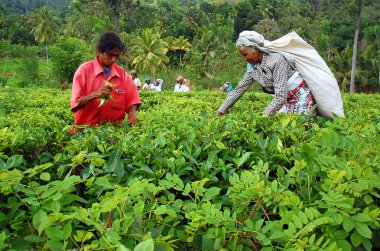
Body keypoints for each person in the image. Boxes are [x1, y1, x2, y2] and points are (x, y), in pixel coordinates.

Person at [216, 31, 316, 117]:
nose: (244, 59)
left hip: (299, 96)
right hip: (282, 99)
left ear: (255, 49)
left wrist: (262, 117)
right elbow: (238, 90)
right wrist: (221, 110)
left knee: (302, 127)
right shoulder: (252, 67)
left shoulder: (276, 60)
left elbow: (280, 96)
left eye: (245, 54)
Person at [70, 32, 141, 133]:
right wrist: (95, 94)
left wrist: (132, 112)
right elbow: (76, 104)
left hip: (113, 132)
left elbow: (133, 97)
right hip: (86, 133)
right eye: (110, 55)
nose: (114, 59)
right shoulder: (84, 70)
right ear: (100, 51)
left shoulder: (122, 74)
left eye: (117, 56)